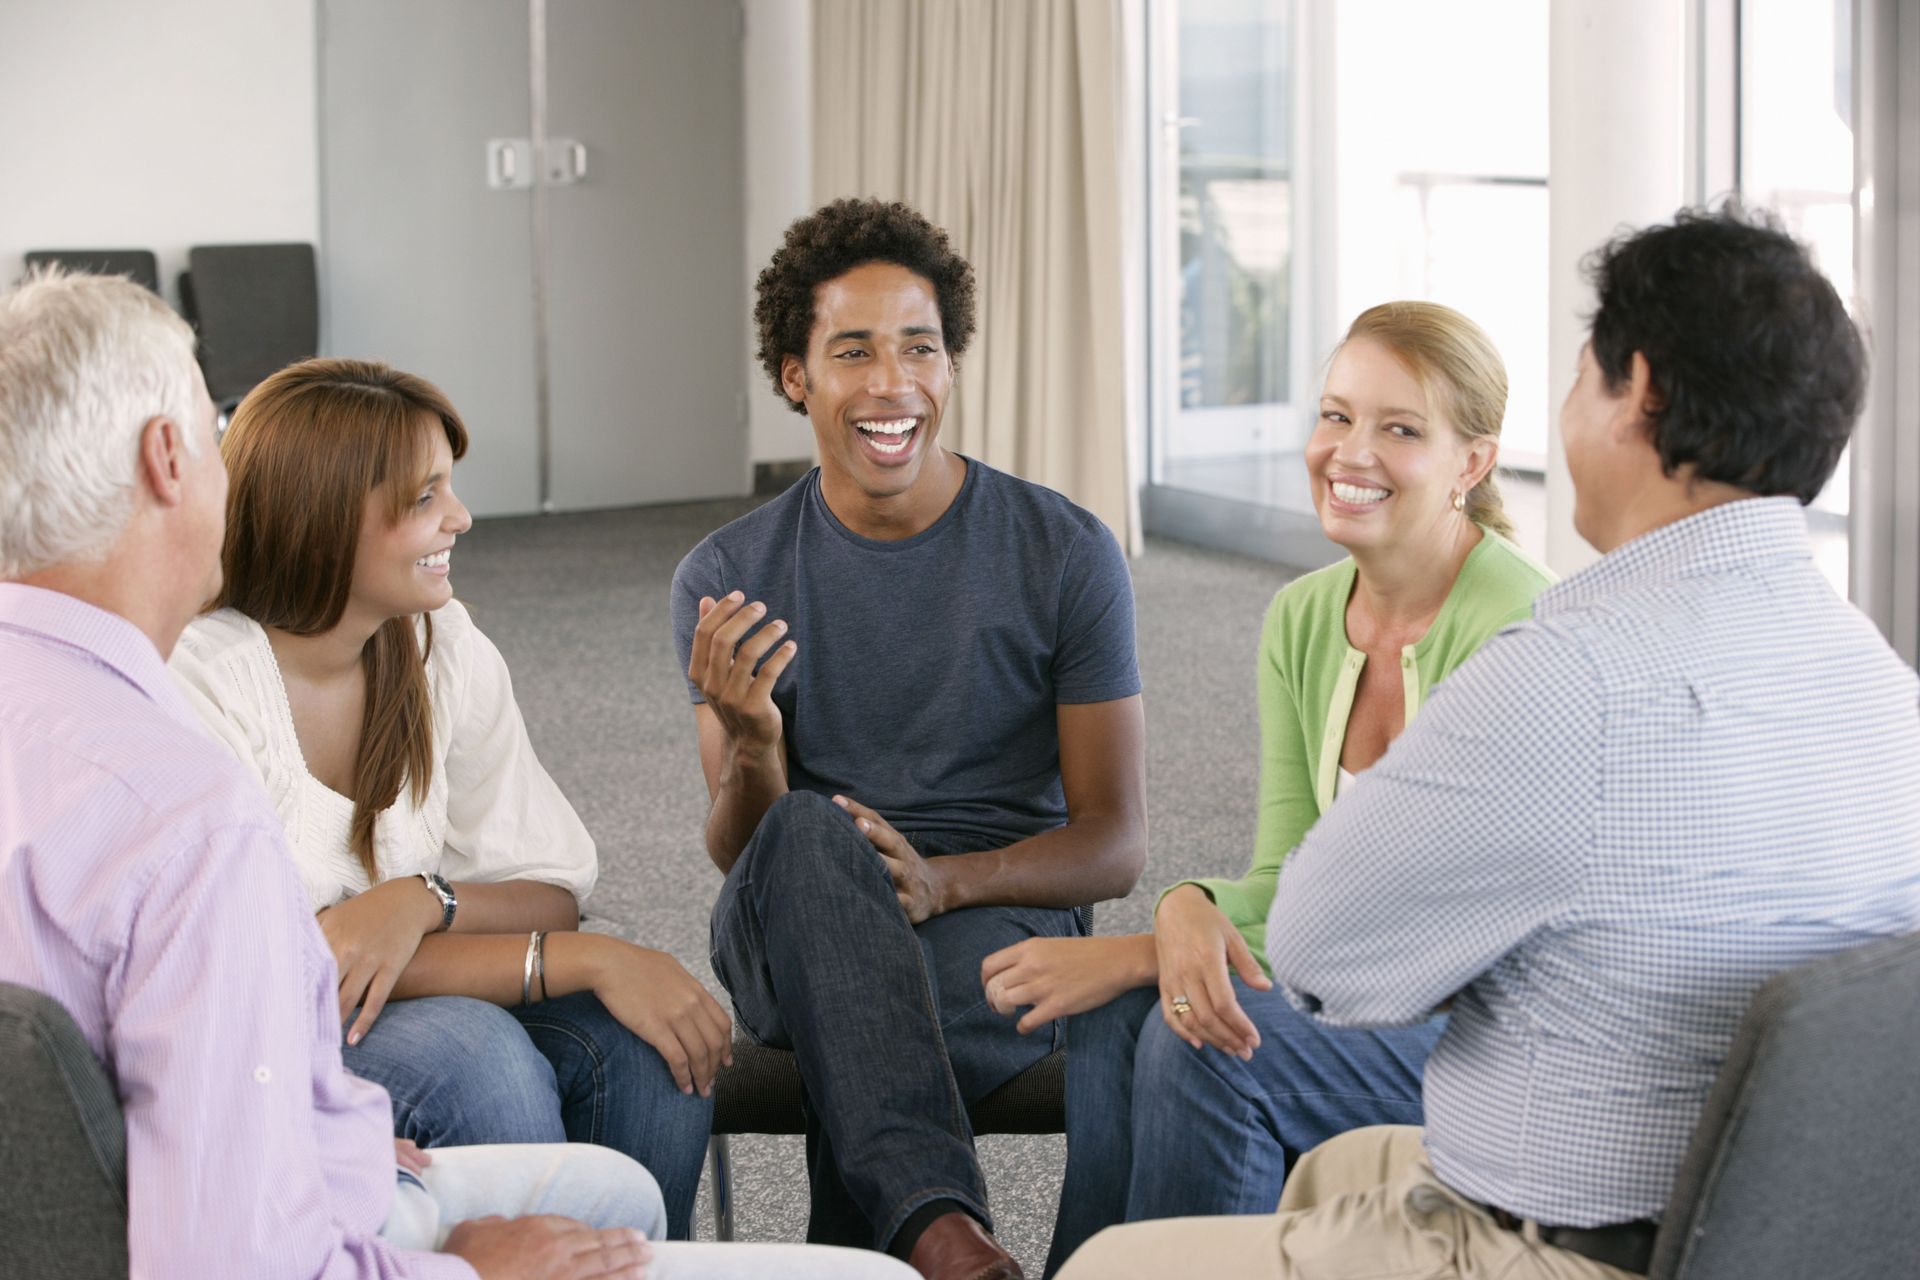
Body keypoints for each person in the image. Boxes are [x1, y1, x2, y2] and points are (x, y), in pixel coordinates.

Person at [1056, 206, 1920, 1279]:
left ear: (1635, 392)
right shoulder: (1884, 684)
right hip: (1764, 1224)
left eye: (1579, 378)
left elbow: (1321, 951)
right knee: (1331, 1157)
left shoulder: (1565, 673)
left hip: (1564, 1241)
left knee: (1115, 1265)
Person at [980, 302, 1554, 1273]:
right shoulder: (1301, 617)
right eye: (1336, 415)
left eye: (1400, 428)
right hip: (1364, 979)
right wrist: (1188, 909)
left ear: (1472, 463)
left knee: (1203, 1039)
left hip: (1498, 1020)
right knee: (1135, 1013)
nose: (1349, 451)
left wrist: (1146, 944)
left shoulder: (1519, 625)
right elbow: (1293, 870)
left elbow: (1437, 925)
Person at [672, 198, 1148, 1280]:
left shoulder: (1065, 551)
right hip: (793, 909)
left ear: (951, 364)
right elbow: (741, 850)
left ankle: (928, 1239)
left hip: (994, 918)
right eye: (852, 351)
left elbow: (1113, 841)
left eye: (919, 348)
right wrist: (752, 743)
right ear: (797, 376)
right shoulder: (725, 574)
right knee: (801, 829)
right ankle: (942, 1230)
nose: (892, 383)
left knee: (879, 1018)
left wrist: (943, 880)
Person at [165, 357, 725, 1239]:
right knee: (477, 1055)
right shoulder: (201, 679)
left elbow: (547, 887)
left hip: (402, 998)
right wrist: (592, 960)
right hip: (255, 1039)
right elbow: (299, 967)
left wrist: (422, 900)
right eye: (427, 498)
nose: (460, 518)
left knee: (649, 1046)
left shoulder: (438, 644)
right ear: (324, 517)